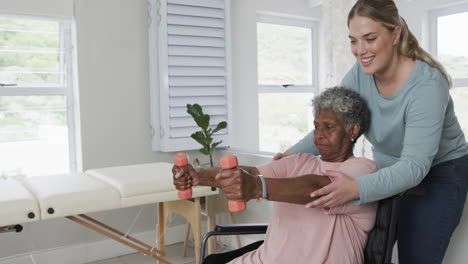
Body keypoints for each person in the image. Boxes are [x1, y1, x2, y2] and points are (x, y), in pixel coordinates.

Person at [274, 1, 468, 263]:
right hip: (388, 169)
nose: (360, 50)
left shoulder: (427, 86)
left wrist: (355, 188)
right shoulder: (360, 74)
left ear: (395, 34)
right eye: (354, 41)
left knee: (416, 256)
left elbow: (414, 167)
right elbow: (334, 122)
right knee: (371, 254)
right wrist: (290, 155)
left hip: (439, 174)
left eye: (370, 39)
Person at [174, 87, 379, 264]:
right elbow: (250, 173)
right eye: (316, 127)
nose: (319, 134)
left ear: (353, 131)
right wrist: (198, 175)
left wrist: (256, 187)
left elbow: (317, 188)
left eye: (329, 127)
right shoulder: (299, 161)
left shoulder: (364, 171)